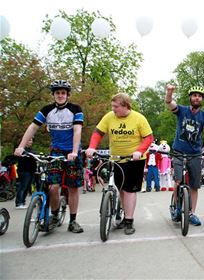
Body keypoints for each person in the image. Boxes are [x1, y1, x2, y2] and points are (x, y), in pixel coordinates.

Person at [14, 80, 84, 233]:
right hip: (56, 152)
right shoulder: (46, 110)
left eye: (63, 93)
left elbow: (77, 131)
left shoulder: (75, 109)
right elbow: (32, 127)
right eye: (57, 93)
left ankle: (73, 220)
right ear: (53, 95)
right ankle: (54, 216)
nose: (60, 95)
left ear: (67, 95)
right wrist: (20, 146)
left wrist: (74, 151)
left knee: (73, 187)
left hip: (72, 152)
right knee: (53, 187)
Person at [85, 93, 154, 235]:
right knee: (121, 188)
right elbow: (98, 132)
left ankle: (129, 220)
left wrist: (139, 151)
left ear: (125, 106)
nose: (113, 109)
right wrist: (92, 147)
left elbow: (148, 138)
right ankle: (122, 214)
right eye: (113, 106)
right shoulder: (109, 117)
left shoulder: (139, 118)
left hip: (134, 159)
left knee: (129, 190)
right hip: (116, 158)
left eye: (116, 106)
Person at [165, 84, 204, 226]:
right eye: (194, 95)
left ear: (201, 99)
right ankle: (176, 207)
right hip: (178, 151)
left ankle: (191, 213)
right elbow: (169, 103)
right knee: (178, 181)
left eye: (199, 96)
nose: (196, 98)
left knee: (194, 185)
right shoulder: (182, 110)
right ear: (190, 97)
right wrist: (169, 92)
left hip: (195, 154)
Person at [15, 138, 37, 208]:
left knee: (27, 187)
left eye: (31, 140)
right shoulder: (22, 149)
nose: (31, 142)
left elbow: (35, 155)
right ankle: (18, 203)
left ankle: (23, 202)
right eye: (29, 140)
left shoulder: (31, 150)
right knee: (22, 187)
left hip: (31, 171)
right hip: (24, 171)